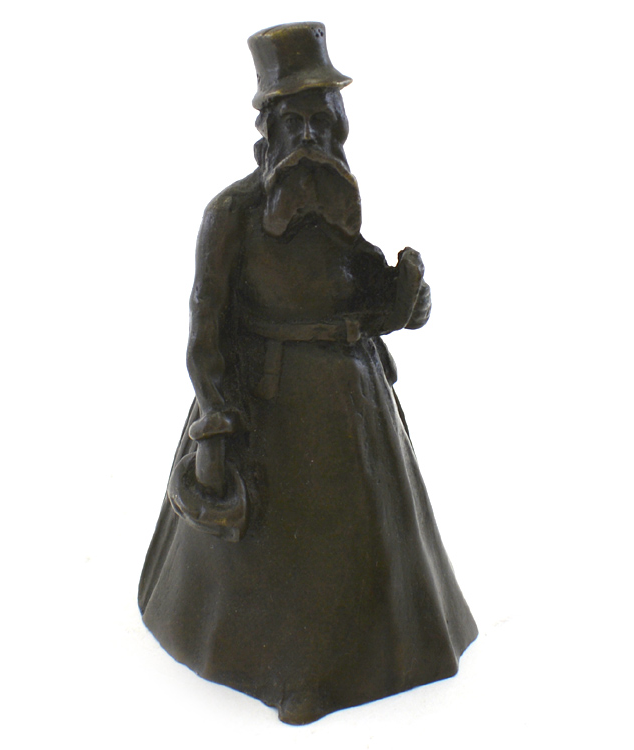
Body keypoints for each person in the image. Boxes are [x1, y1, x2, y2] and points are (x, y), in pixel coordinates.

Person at [138, 22, 477, 725]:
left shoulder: (335, 202)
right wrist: (217, 419)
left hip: (355, 403)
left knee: (371, 542)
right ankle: (290, 673)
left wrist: (408, 301)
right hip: (268, 406)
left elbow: (365, 290)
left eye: (323, 123)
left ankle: (398, 650)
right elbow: (205, 333)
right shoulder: (231, 214)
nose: (311, 138)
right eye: (296, 123)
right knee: (286, 559)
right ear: (267, 135)